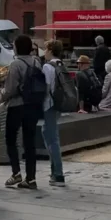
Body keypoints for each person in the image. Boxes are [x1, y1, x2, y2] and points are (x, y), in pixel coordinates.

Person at [1, 33, 45, 189]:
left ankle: (16, 172)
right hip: (33, 105)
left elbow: (11, 88)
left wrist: (2, 96)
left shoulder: (15, 64)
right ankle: (31, 178)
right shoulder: (36, 62)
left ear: (17, 47)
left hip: (17, 105)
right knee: (29, 141)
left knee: (11, 139)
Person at [42, 39, 66, 186]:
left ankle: (58, 174)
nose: (44, 52)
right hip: (58, 105)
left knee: (52, 139)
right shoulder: (60, 64)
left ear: (50, 50)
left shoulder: (47, 67)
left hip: (49, 105)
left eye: (45, 49)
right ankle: (54, 173)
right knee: (51, 136)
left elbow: (46, 88)